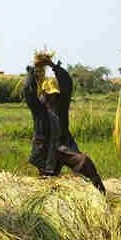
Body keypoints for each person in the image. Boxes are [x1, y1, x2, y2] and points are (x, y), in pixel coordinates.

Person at [24, 60, 106, 193]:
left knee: (85, 161)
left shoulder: (61, 106)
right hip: (45, 149)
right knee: (47, 183)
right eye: (50, 95)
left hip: (63, 146)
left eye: (55, 95)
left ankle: (102, 193)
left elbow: (67, 84)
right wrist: (31, 76)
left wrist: (55, 67)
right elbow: (29, 93)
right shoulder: (39, 109)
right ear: (43, 94)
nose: (53, 98)